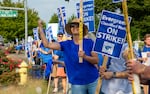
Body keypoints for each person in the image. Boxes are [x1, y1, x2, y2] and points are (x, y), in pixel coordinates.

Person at [38, 18, 99, 94]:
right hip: (77, 83)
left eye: (78, 26)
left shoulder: (89, 42)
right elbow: (47, 44)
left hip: (92, 81)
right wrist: (40, 28)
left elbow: (96, 60)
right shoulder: (66, 44)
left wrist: (85, 57)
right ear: (70, 29)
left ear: (82, 29)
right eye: (72, 26)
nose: (75, 28)